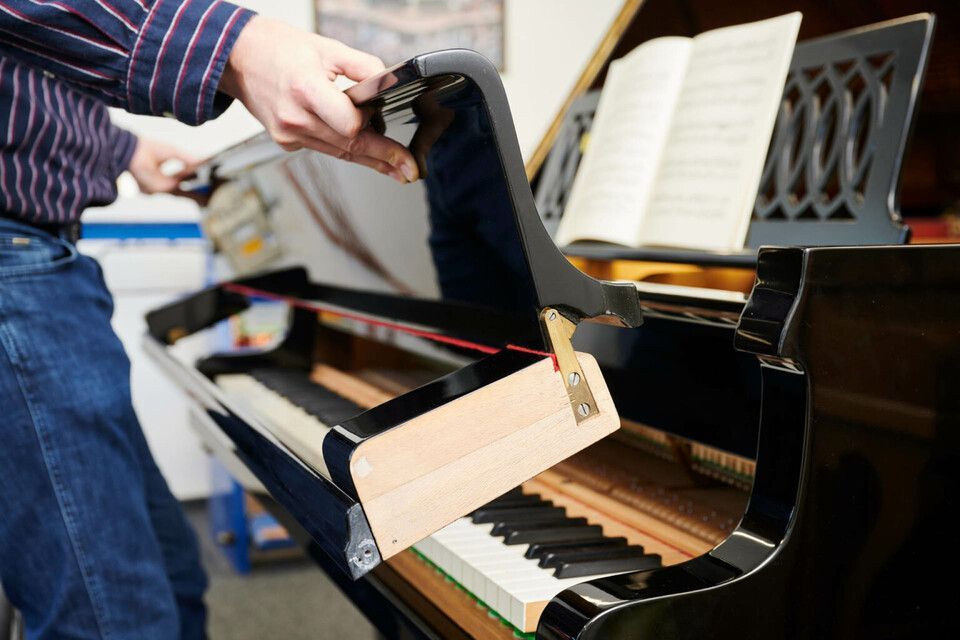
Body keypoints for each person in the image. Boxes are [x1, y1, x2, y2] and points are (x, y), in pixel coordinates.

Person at [0, 2, 418, 638]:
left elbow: (26, 74)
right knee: (116, 622)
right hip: (18, 269)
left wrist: (123, 148)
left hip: (43, 262)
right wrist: (239, 46)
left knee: (173, 581)